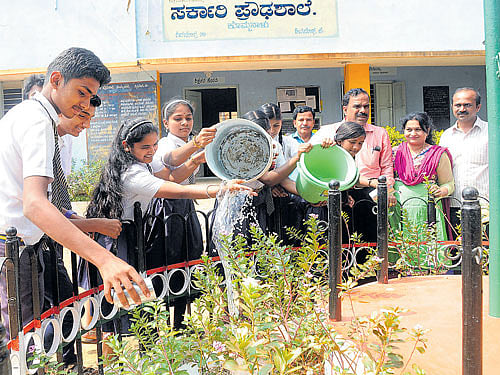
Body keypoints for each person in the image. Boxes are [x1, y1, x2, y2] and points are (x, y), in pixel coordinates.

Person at [0, 47, 149, 340]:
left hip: (19, 246)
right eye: (81, 93)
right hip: (12, 248)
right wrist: (104, 260)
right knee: (24, 345)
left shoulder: (27, 115)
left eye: (90, 97)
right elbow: (34, 204)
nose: (84, 105)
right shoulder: (38, 121)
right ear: (56, 80)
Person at [84, 118, 254, 335]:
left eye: (155, 144)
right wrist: (220, 189)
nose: (152, 150)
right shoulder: (132, 172)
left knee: (130, 302)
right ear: (127, 146)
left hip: (131, 233)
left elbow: (170, 171)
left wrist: (195, 160)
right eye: (146, 146)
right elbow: (177, 190)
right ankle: (111, 362)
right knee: (114, 308)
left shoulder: (141, 162)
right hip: (117, 238)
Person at [148, 97, 216, 330]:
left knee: (189, 258)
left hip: (186, 207)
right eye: (178, 119)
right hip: (168, 209)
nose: (184, 123)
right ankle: (161, 322)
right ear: (166, 123)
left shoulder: (188, 144)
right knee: (168, 261)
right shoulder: (166, 144)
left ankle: (180, 322)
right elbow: (171, 167)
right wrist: (196, 146)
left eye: (188, 118)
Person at [311, 88, 395, 243]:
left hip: (370, 195)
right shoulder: (327, 132)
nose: (362, 111)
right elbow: (311, 162)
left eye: (366, 106)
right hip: (338, 195)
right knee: (339, 244)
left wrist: (387, 191)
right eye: (357, 106)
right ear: (345, 109)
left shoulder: (380, 133)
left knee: (369, 244)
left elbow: (387, 167)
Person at [390, 112, 454, 241]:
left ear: (427, 131)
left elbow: (449, 183)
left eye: (418, 129)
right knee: (401, 247)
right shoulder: (395, 152)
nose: (413, 133)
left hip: (428, 209)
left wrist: (441, 191)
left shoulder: (437, 154)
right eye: (409, 130)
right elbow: (386, 178)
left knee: (429, 247)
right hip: (398, 208)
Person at [439, 87, 488, 235]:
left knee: (485, 252)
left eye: (467, 105)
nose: (462, 109)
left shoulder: (491, 132)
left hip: (486, 206)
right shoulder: (446, 136)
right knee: (457, 253)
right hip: (455, 205)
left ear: (478, 107)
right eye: (457, 105)